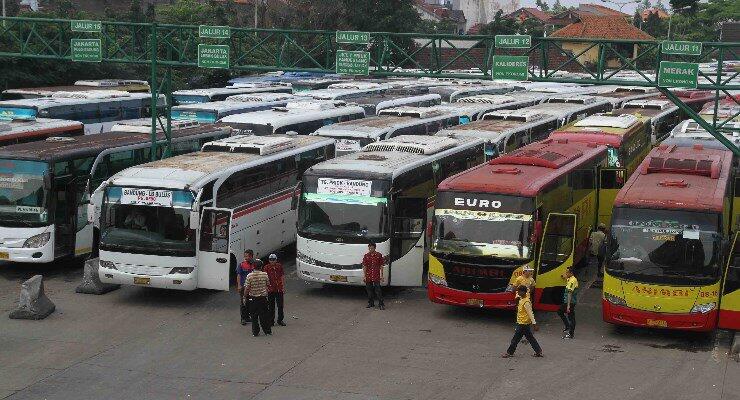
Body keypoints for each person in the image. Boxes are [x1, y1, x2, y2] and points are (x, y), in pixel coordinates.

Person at [501, 285, 543, 358]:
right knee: (530, 338)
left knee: (515, 339)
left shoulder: (526, 302)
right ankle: (538, 351)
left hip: (523, 324)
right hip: (523, 323)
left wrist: (534, 324)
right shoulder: (521, 299)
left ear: (524, 292)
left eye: (519, 291)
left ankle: (509, 352)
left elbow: (530, 313)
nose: (518, 293)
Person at [245, 261, 272, 337]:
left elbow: (247, 288)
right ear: (261, 267)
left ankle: (255, 332)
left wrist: (244, 297)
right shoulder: (265, 274)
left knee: (254, 316)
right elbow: (268, 284)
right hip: (263, 298)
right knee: (264, 315)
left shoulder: (249, 276)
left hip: (253, 299)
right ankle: (267, 331)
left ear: (253, 266)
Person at [236, 250, 258, 325]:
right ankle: (243, 318)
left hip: (252, 287)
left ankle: (248, 317)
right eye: (245, 256)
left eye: (247, 256)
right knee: (243, 302)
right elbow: (239, 275)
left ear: (252, 256)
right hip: (243, 287)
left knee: (250, 302)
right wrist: (239, 285)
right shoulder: (241, 265)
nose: (246, 258)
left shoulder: (255, 264)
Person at [558, 267, 579, 339]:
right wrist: (563, 277)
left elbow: (570, 293)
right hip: (568, 301)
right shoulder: (570, 279)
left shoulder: (572, 281)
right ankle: (568, 327)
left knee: (571, 317)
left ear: (571, 273)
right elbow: (566, 278)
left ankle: (570, 333)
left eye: (567, 272)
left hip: (570, 301)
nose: (566, 273)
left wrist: (568, 306)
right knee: (561, 312)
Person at [362, 242, 385, 310]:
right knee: (369, 290)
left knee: (378, 290)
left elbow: (381, 266)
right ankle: (371, 303)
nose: (370, 249)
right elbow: (364, 266)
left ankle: (381, 304)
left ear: (375, 248)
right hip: (368, 275)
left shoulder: (379, 255)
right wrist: (364, 276)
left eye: (372, 248)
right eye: (369, 248)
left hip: (376, 275)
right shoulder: (366, 256)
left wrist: (382, 275)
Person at [265, 253, 286, 327]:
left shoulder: (279, 266)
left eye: (273, 260)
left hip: (279, 289)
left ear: (276, 260)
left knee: (280, 306)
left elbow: (282, 276)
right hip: (271, 290)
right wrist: (266, 287)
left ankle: (280, 320)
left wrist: (283, 287)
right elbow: (265, 278)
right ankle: (271, 321)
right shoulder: (266, 267)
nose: (272, 261)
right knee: (271, 306)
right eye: (270, 260)